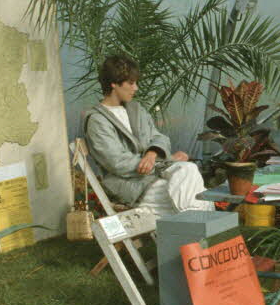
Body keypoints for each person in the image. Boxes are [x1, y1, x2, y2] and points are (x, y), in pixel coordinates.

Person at [83, 54, 211, 215]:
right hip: (129, 184)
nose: (136, 88)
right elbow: (117, 163)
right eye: (131, 83)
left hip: (152, 174)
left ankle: (192, 226)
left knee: (188, 171)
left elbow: (159, 137)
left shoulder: (136, 110)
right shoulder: (97, 121)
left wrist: (152, 154)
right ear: (114, 84)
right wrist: (166, 161)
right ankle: (199, 228)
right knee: (196, 196)